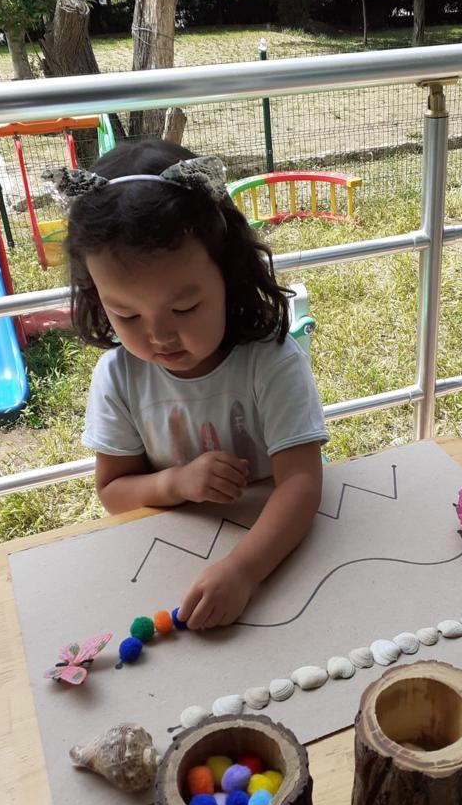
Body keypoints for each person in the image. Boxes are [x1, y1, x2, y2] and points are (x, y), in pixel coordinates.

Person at [51, 140, 327, 630]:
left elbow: (302, 483)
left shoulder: (271, 361)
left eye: (184, 308)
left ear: (228, 277)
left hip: (278, 555)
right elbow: (113, 492)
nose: (159, 335)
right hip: (170, 561)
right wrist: (177, 482)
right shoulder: (118, 377)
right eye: (126, 314)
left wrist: (243, 570)